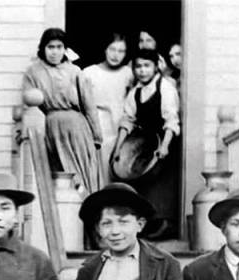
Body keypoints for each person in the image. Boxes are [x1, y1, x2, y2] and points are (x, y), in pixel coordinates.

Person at [23, 27, 104, 194]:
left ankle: (86, 209)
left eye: (59, 47)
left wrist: (96, 135)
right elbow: (29, 102)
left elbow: (89, 104)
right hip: (51, 128)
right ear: (43, 49)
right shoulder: (34, 72)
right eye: (50, 47)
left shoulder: (74, 71)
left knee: (81, 174)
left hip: (77, 128)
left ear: (64, 49)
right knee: (61, 176)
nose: (54, 52)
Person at [112, 48, 181, 239]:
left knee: (162, 187)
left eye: (146, 66)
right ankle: (149, 225)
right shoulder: (135, 92)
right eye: (139, 67)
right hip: (144, 145)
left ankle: (165, 224)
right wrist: (118, 149)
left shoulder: (165, 88)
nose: (142, 71)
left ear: (155, 67)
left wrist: (165, 146)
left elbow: (171, 120)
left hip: (164, 143)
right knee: (141, 184)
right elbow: (127, 121)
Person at [83, 34, 135, 185]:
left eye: (121, 51)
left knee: (119, 173)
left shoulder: (128, 73)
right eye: (112, 49)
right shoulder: (89, 73)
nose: (116, 55)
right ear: (105, 49)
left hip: (121, 131)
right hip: (98, 129)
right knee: (98, 175)